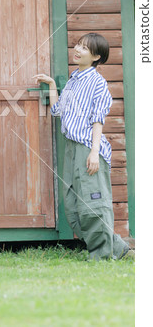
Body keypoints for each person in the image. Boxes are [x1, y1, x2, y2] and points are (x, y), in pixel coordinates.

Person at [32, 32, 130, 260]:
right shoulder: (75, 78)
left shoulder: (97, 83)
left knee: (93, 201)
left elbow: (98, 120)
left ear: (96, 56)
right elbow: (58, 111)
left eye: (84, 48)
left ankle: (104, 255)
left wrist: (95, 152)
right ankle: (119, 249)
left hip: (88, 147)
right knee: (74, 203)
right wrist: (53, 84)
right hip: (72, 147)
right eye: (78, 45)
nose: (77, 49)